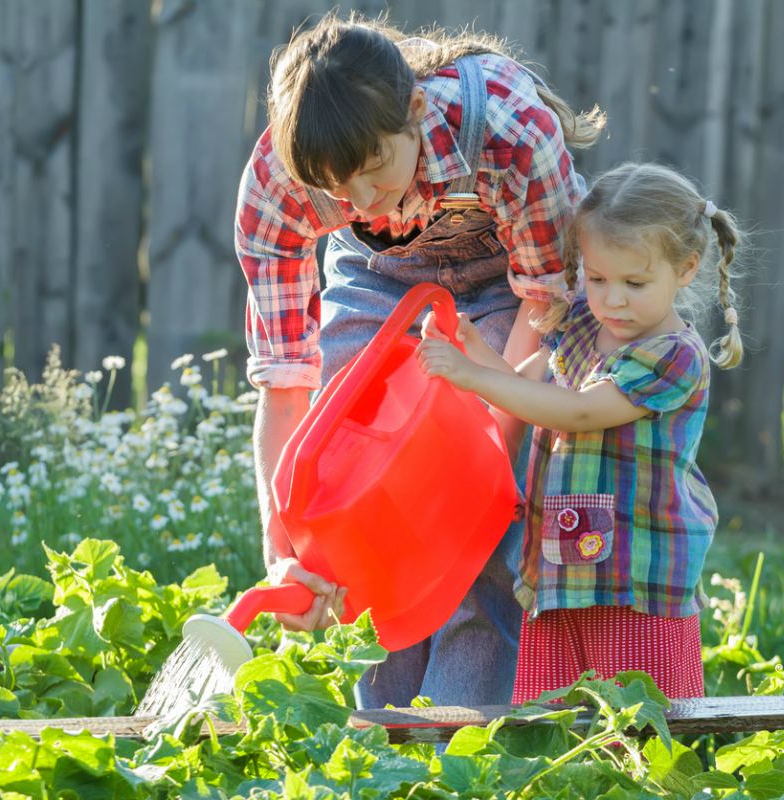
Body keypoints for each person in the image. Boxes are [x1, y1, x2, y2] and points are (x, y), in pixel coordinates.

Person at [234, 12, 603, 708]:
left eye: (375, 172)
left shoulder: (507, 128)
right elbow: (287, 389)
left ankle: (457, 743)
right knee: (347, 490)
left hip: (510, 286)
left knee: (482, 527)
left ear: (414, 111)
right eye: (338, 192)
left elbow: (545, 302)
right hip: (377, 276)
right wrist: (284, 550)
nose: (363, 200)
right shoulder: (277, 189)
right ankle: (379, 739)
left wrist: (478, 460)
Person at [416, 162, 744, 700]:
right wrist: (472, 350)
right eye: (596, 278)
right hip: (559, 574)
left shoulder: (674, 356)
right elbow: (525, 387)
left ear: (686, 268)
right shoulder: (585, 327)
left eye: (634, 283)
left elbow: (579, 412)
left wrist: (472, 376)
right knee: (551, 726)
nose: (612, 299)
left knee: (639, 732)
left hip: (635, 586)